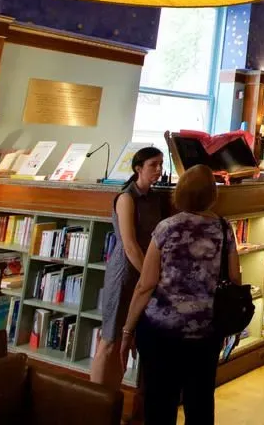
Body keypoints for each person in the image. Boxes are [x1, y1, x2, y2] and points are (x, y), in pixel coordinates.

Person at [120, 165, 240, 425]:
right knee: (200, 404)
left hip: (161, 331)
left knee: (159, 404)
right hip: (206, 331)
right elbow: (234, 279)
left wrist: (128, 330)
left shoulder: (166, 228)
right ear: (212, 194)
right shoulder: (223, 228)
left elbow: (146, 284)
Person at [91, 146, 165, 387]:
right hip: (125, 271)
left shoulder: (155, 198)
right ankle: (95, 396)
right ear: (138, 168)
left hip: (145, 272)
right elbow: (129, 245)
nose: (158, 170)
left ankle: (115, 393)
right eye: (153, 165)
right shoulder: (126, 198)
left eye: (161, 164)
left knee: (129, 337)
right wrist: (150, 276)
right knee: (111, 336)